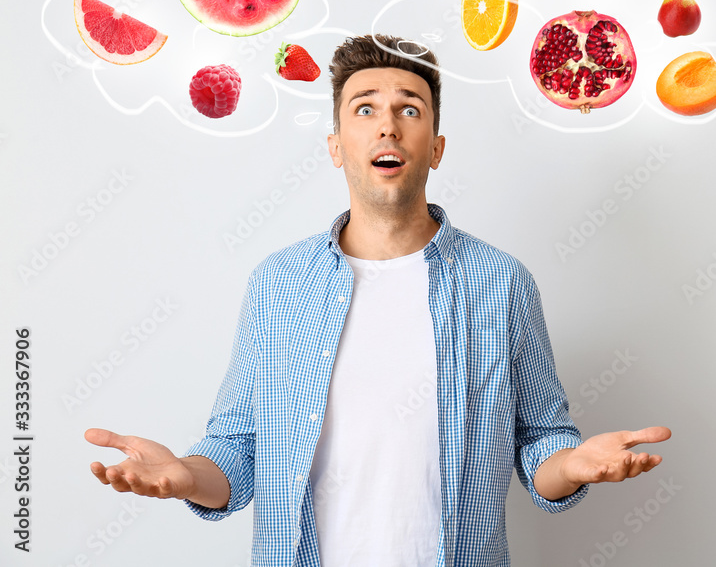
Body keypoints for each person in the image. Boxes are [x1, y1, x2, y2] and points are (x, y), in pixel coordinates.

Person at [85, 34, 671, 566]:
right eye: (364, 108)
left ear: (436, 148)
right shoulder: (278, 285)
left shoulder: (502, 282)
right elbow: (237, 449)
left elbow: (541, 438)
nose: (387, 125)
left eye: (408, 109)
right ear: (337, 145)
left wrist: (571, 464)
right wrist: (186, 475)